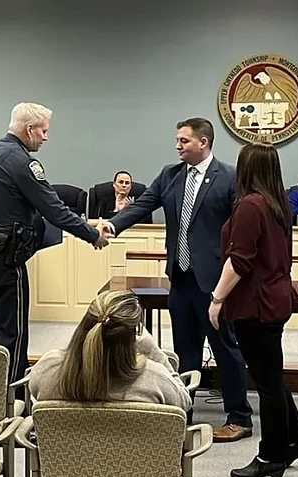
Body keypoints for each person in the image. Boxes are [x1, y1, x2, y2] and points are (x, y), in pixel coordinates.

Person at [100, 117, 254, 442]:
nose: (178, 146)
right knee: (185, 350)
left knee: (225, 349)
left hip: (214, 283)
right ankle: (184, 414)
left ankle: (239, 417)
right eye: (178, 140)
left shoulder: (229, 178)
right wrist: (113, 226)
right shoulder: (170, 175)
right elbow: (142, 205)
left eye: (184, 141)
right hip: (181, 279)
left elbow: (241, 230)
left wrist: (229, 283)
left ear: (203, 142)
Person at [0, 102, 110, 395]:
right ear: (29, 129)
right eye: (44, 131)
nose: (46, 137)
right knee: (14, 336)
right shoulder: (22, 162)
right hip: (5, 260)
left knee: (1, 331)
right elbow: (54, 209)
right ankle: (12, 404)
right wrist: (92, 234)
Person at [209, 143, 298, 477]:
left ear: (245, 169)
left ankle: (270, 457)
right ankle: (296, 440)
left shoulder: (251, 205)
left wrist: (218, 298)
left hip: (256, 304)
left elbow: (239, 261)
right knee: (271, 376)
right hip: (276, 298)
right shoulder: (277, 203)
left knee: (266, 384)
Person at [29, 290, 191, 411]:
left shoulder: (48, 369)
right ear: (132, 337)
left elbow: (33, 389)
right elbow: (183, 402)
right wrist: (152, 350)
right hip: (136, 457)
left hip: (64, 457)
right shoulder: (155, 379)